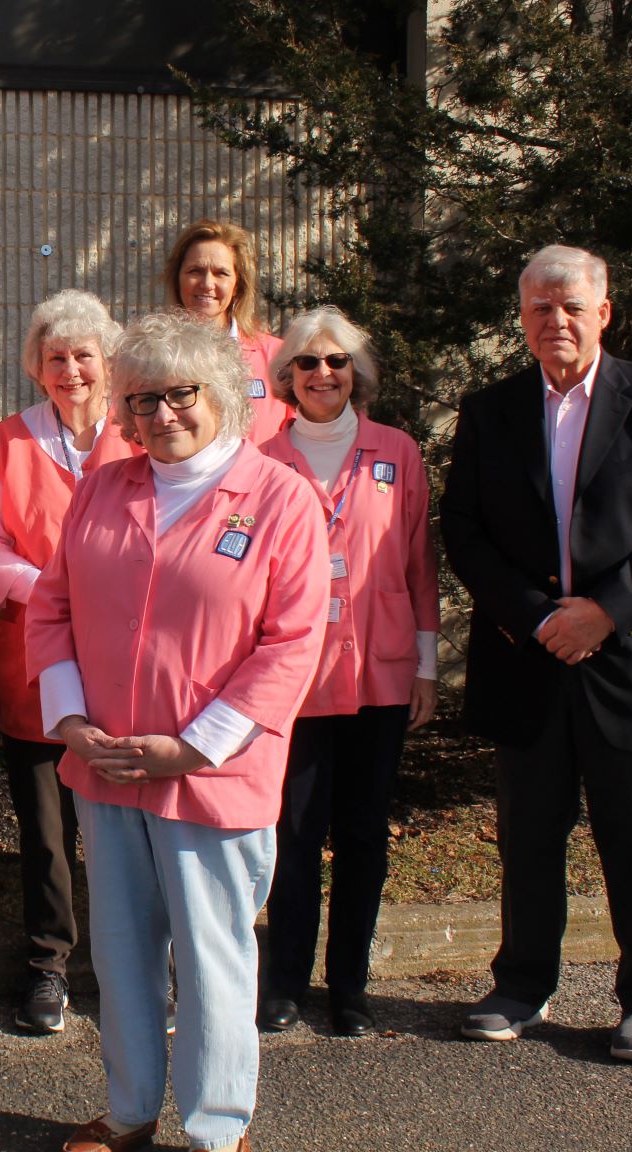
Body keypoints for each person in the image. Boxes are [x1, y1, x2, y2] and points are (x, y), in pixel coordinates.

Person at [26, 311, 327, 1152]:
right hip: (108, 767)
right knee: (121, 959)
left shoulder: (279, 497)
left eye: (180, 395)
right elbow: (51, 608)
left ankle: (213, 1130)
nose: (161, 415)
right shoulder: (102, 487)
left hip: (212, 776)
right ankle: (128, 1112)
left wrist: (196, 745)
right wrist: (74, 722)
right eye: (142, 400)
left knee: (211, 963)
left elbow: (295, 640)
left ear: (222, 394)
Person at [442, 245, 632, 1064]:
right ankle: (523, 983)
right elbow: (465, 531)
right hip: (528, 657)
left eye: (570, 305)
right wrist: (537, 618)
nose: (553, 321)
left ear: (604, 312)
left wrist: (603, 614)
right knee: (529, 835)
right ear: (520, 317)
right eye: (537, 307)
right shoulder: (489, 410)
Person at [256, 307, 439, 1037]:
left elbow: (421, 566)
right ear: (286, 378)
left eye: (336, 362)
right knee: (294, 834)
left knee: (363, 833)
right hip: (294, 682)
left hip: (381, 676)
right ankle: (286, 984)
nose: (322, 374)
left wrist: (426, 666)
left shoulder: (397, 452)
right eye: (307, 363)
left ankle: (350, 987)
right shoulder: (263, 460)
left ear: (355, 372)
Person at [0, 289, 137, 1035]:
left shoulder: (140, 437)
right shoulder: (3, 444)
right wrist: (48, 587)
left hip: (126, 665)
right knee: (45, 829)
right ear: (36, 368)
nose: (70, 369)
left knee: (120, 821)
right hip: (35, 661)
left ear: (108, 365)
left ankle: (128, 963)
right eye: (56, 357)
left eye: (83, 356)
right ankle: (47, 966)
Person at [162, 219, 291, 445]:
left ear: (238, 285)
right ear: (177, 278)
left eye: (221, 273)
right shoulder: (151, 358)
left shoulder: (278, 357)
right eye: (195, 271)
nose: (207, 283)